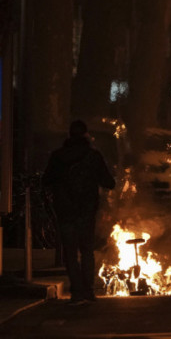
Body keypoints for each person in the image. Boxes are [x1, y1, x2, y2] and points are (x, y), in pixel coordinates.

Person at [43, 120, 116, 305]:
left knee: (70, 252)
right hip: (86, 211)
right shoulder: (93, 156)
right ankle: (88, 291)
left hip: (65, 210)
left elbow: (46, 180)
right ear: (85, 135)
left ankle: (76, 292)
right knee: (86, 251)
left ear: (69, 135)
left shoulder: (58, 157)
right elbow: (109, 182)